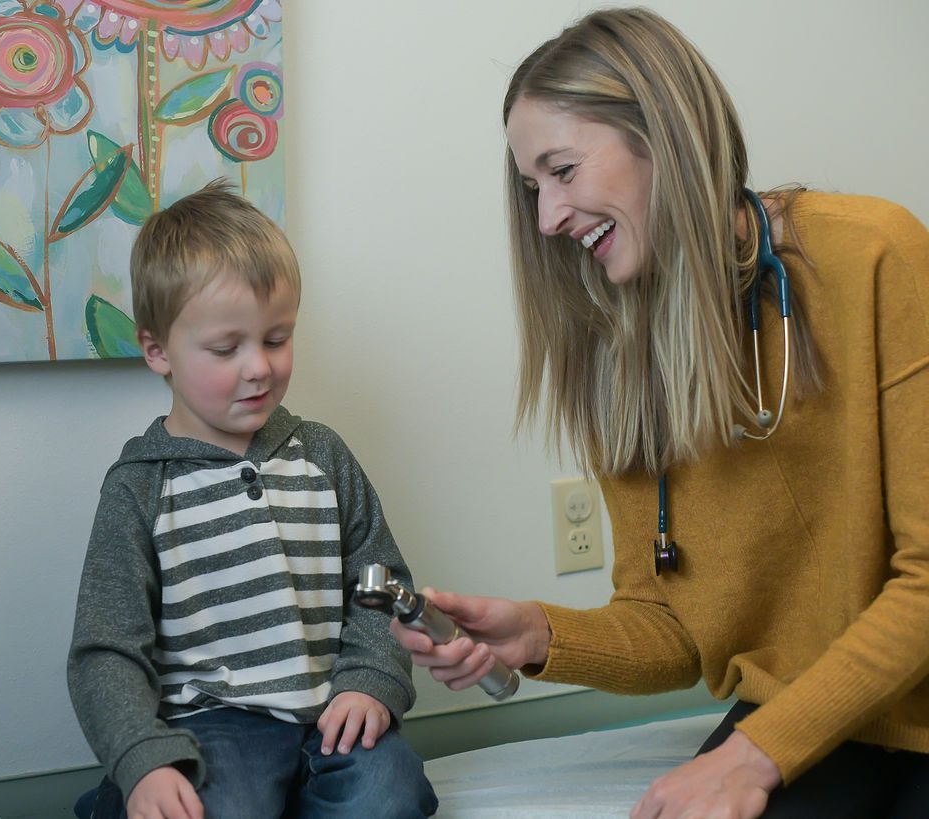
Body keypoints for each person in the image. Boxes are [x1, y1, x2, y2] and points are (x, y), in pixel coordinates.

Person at [391, 8, 929, 819]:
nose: (547, 218)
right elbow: (676, 631)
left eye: (563, 170)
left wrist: (753, 755)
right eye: (534, 188)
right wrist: (538, 633)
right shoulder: (614, 360)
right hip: (808, 721)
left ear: (661, 131)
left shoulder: (873, 255)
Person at [67, 180, 438, 819]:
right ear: (158, 350)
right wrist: (142, 758)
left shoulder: (321, 456)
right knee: (223, 808)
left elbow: (383, 588)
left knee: (394, 796)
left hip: (330, 713)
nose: (259, 367)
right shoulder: (140, 488)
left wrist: (370, 682)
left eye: (275, 339)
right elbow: (107, 651)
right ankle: (115, 802)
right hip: (214, 725)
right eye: (225, 348)